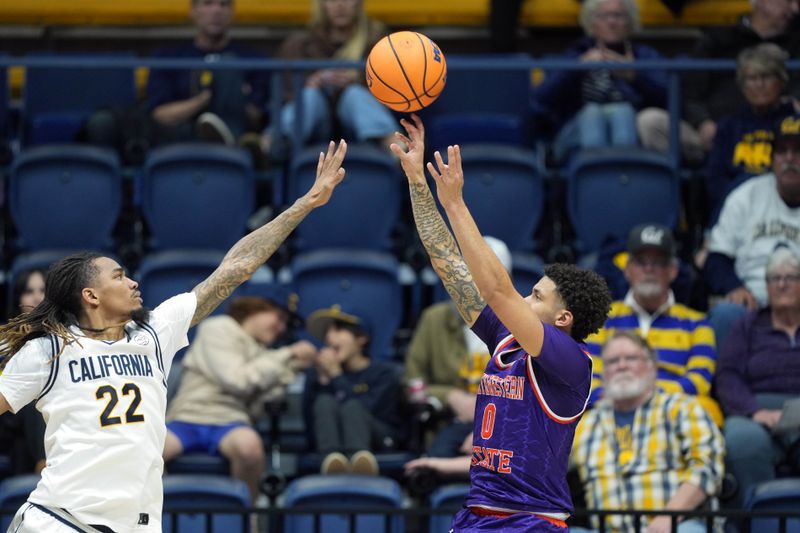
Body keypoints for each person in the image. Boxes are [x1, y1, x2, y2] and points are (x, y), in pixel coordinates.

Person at [0, 140, 347, 533]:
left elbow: (236, 268)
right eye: (118, 276)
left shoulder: (154, 332)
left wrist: (302, 205)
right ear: (90, 295)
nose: (132, 282)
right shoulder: (49, 350)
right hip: (60, 521)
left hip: (136, 523)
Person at [391, 114, 612, 531]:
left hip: (530, 520)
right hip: (478, 512)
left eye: (537, 297)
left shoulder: (570, 362)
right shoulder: (504, 339)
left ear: (563, 318)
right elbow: (447, 265)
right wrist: (418, 183)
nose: (525, 300)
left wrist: (455, 202)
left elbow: (498, 291)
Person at [163, 295, 317, 502]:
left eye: (285, 324)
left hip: (231, 422)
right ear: (256, 308)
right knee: (147, 450)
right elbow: (238, 380)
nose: (281, 328)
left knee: (250, 448)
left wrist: (290, 367)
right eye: (279, 318)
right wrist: (288, 355)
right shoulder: (218, 327)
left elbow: (264, 399)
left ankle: (248, 522)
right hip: (187, 418)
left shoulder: (266, 353)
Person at [571, 331, 724, 533]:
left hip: (677, 526)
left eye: (631, 358)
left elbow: (707, 467)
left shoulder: (682, 407)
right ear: (604, 373)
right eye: (612, 361)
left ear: (652, 366)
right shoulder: (587, 423)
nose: (622, 365)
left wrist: (668, 518)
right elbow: (549, 470)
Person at [585, 224, 720, 424]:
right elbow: (586, 375)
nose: (649, 269)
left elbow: (699, 380)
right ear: (627, 269)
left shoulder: (697, 323)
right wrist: (620, 402)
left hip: (674, 416)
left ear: (672, 270)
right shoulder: (602, 318)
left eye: (658, 262)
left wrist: (648, 400)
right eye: (641, 262)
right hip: (611, 414)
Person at [638, 0, 800, 163]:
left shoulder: (797, 42)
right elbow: (691, 91)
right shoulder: (719, 39)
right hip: (715, 133)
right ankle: (686, 185)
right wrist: (702, 122)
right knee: (650, 121)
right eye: (787, 1)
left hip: (776, 136)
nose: (795, 9)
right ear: (761, 2)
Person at [404, 236, 512, 458]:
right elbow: (412, 386)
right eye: (464, 275)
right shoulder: (434, 320)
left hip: (508, 427)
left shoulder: (524, 326)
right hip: (447, 427)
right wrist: (450, 396)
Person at [703, 113, 800, 344]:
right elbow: (716, 259)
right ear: (772, 158)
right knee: (726, 315)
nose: (789, 158)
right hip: (751, 300)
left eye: (798, 152)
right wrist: (734, 287)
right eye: (782, 151)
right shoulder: (746, 195)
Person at [716, 247, 800, 508]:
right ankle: (758, 523)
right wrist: (755, 411)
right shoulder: (748, 325)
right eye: (775, 279)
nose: (782, 285)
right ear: (766, 286)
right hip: (755, 411)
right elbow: (727, 375)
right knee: (742, 440)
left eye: (791, 278)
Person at [531, 0, 667, 162]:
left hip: (631, 128)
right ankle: (604, 177)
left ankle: (610, 177)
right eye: (604, 16)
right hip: (575, 133)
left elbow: (668, 97)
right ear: (592, 23)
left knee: (622, 111)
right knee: (593, 113)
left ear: (630, 22)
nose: (612, 22)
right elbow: (540, 101)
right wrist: (576, 69)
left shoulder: (644, 56)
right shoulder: (575, 55)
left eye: (619, 16)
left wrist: (634, 76)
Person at [265, 0, 398, 152]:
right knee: (310, 96)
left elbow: (393, 96)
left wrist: (357, 83)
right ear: (321, 5)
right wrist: (312, 83)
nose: (340, 5)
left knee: (355, 95)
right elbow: (282, 96)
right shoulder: (298, 44)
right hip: (314, 127)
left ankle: (396, 148)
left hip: (359, 127)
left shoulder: (379, 42)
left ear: (359, 3)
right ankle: (270, 146)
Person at [146, 0, 270, 148]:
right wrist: (205, 99)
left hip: (239, 141)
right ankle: (229, 140)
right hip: (182, 142)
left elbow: (257, 115)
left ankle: (229, 138)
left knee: (228, 63)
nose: (216, 11)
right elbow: (160, 114)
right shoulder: (168, 58)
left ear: (232, 12)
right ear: (193, 11)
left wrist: (234, 93)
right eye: (208, 3)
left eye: (223, 4)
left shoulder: (254, 59)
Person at [302, 304, 405, 476]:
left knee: (352, 408)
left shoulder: (384, 374)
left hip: (379, 441)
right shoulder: (317, 375)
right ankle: (331, 461)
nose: (329, 337)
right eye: (327, 331)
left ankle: (360, 461)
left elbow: (367, 410)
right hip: (328, 445)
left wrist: (336, 376)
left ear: (361, 338)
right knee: (324, 402)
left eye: (339, 330)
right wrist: (323, 382)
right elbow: (309, 423)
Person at [705, 43, 796, 218]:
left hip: (785, 210)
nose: (759, 84)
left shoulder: (794, 123)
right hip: (737, 210)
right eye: (752, 78)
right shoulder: (729, 126)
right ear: (742, 85)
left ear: (781, 81)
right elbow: (716, 180)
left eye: (766, 77)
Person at [0, 269, 47, 475]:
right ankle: (44, 463)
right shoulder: (3, 337)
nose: (37, 297)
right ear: (17, 297)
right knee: (31, 395)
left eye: (42, 290)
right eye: (29, 291)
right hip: (7, 413)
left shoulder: (64, 337)